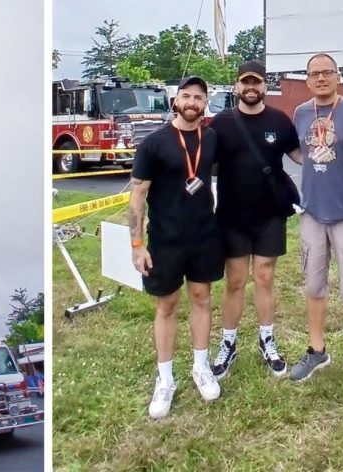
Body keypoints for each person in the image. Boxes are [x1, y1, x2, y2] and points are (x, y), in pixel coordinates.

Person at [130, 75, 223, 419]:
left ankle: (201, 366)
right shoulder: (154, 144)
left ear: (205, 104)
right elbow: (137, 194)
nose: (192, 102)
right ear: (175, 101)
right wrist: (137, 244)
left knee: (202, 299)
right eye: (186, 95)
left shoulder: (210, 138)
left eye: (199, 97)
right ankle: (165, 378)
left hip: (204, 237)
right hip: (165, 242)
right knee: (166, 306)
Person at [208, 61, 302, 380]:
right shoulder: (220, 124)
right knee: (234, 281)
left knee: (264, 278)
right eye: (245, 82)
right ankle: (228, 343)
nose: (251, 87)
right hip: (232, 217)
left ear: (265, 86)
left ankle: (267, 339)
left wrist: (334, 155)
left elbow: (302, 156)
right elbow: (199, 161)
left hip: (270, 215)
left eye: (256, 82)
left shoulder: (279, 120)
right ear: (236, 86)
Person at [288, 53, 343, 395]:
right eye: (314, 74)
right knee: (313, 284)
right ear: (307, 80)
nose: (321, 78)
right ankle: (317, 350)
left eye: (327, 72)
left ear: (338, 77)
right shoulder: (301, 113)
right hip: (312, 211)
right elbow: (301, 152)